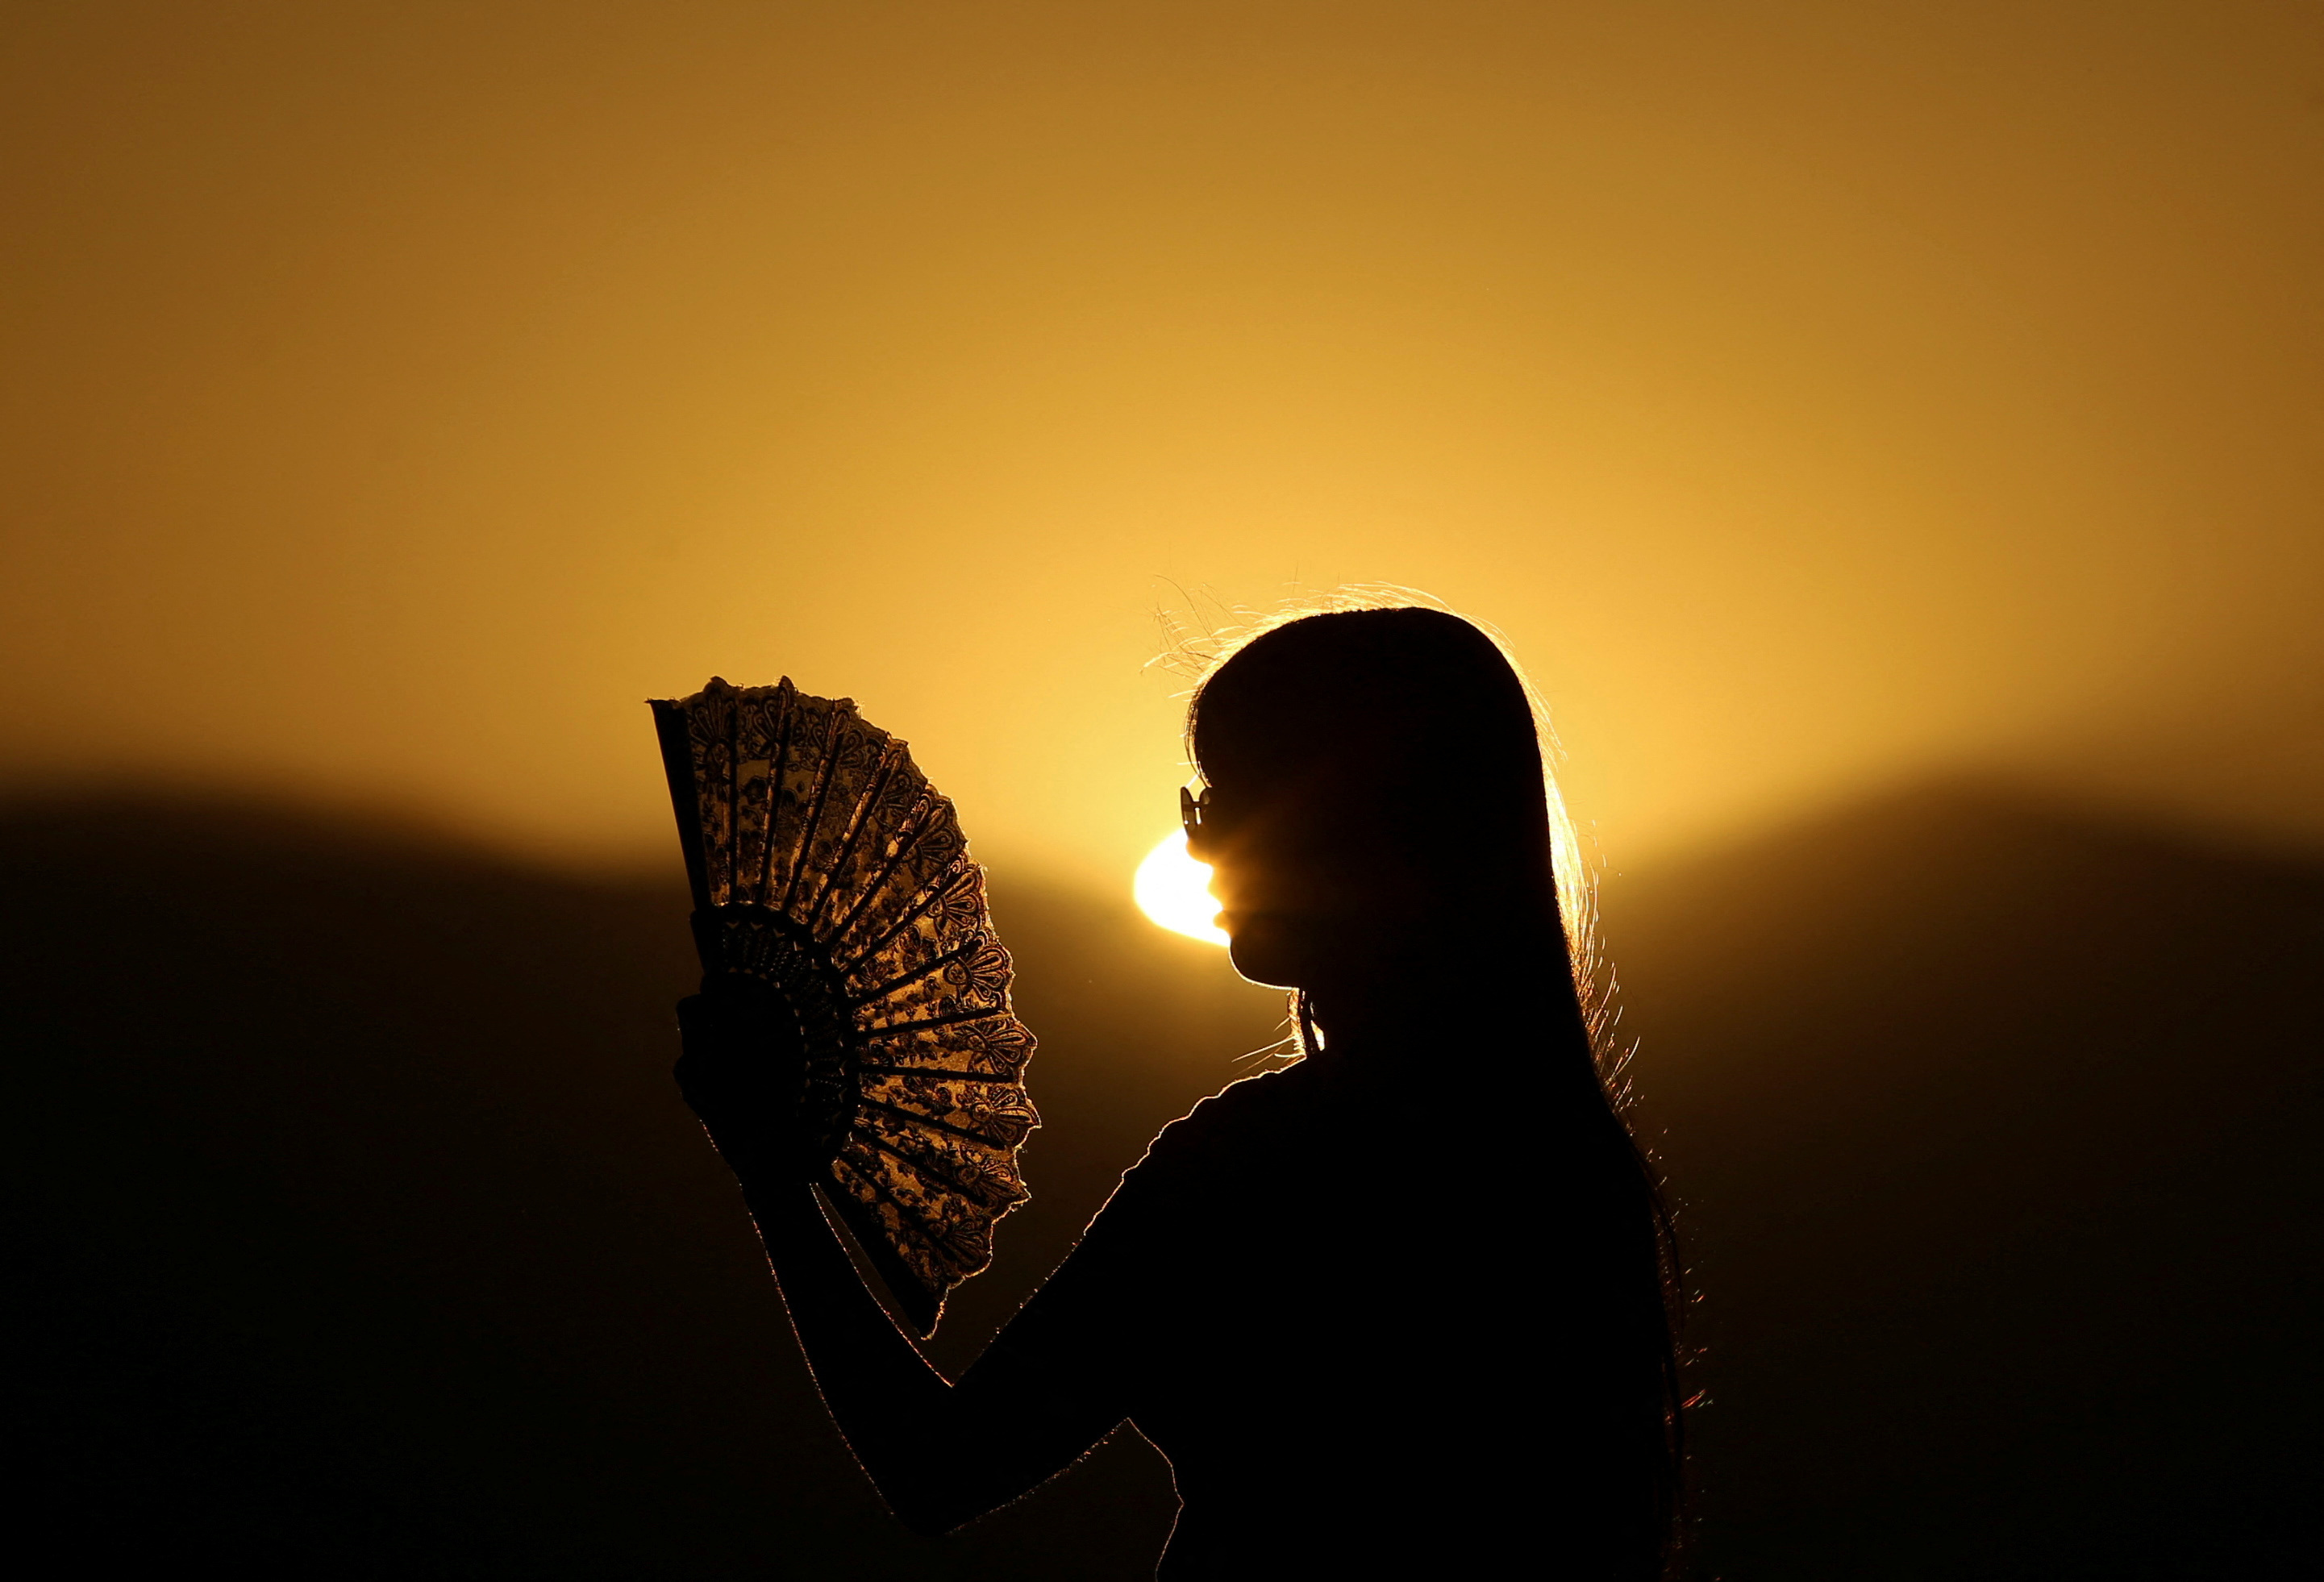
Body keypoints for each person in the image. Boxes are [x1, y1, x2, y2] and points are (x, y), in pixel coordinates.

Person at [674, 603, 1684, 1579]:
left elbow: (940, 1467)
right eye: (1200, 801)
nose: (1201, 843)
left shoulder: (1261, 1165)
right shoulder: (1566, 1160)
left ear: (1363, 829)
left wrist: (771, 1172)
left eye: (1234, 796)